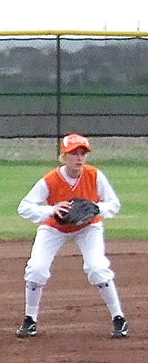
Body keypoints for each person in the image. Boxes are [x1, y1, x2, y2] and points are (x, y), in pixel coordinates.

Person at [15, 132, 129, 340]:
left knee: (97, 268)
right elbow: (24, 207)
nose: (79, 158)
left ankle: (119, 318)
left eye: (82, 153)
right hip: (54, 228)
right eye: (74, 153)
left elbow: (113, 204)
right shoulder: (50, 180)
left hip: (88, 227)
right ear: (63, 156)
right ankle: (30, 320)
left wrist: (97, 207)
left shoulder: (95, 175)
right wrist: (51, 210)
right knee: (37, 269)